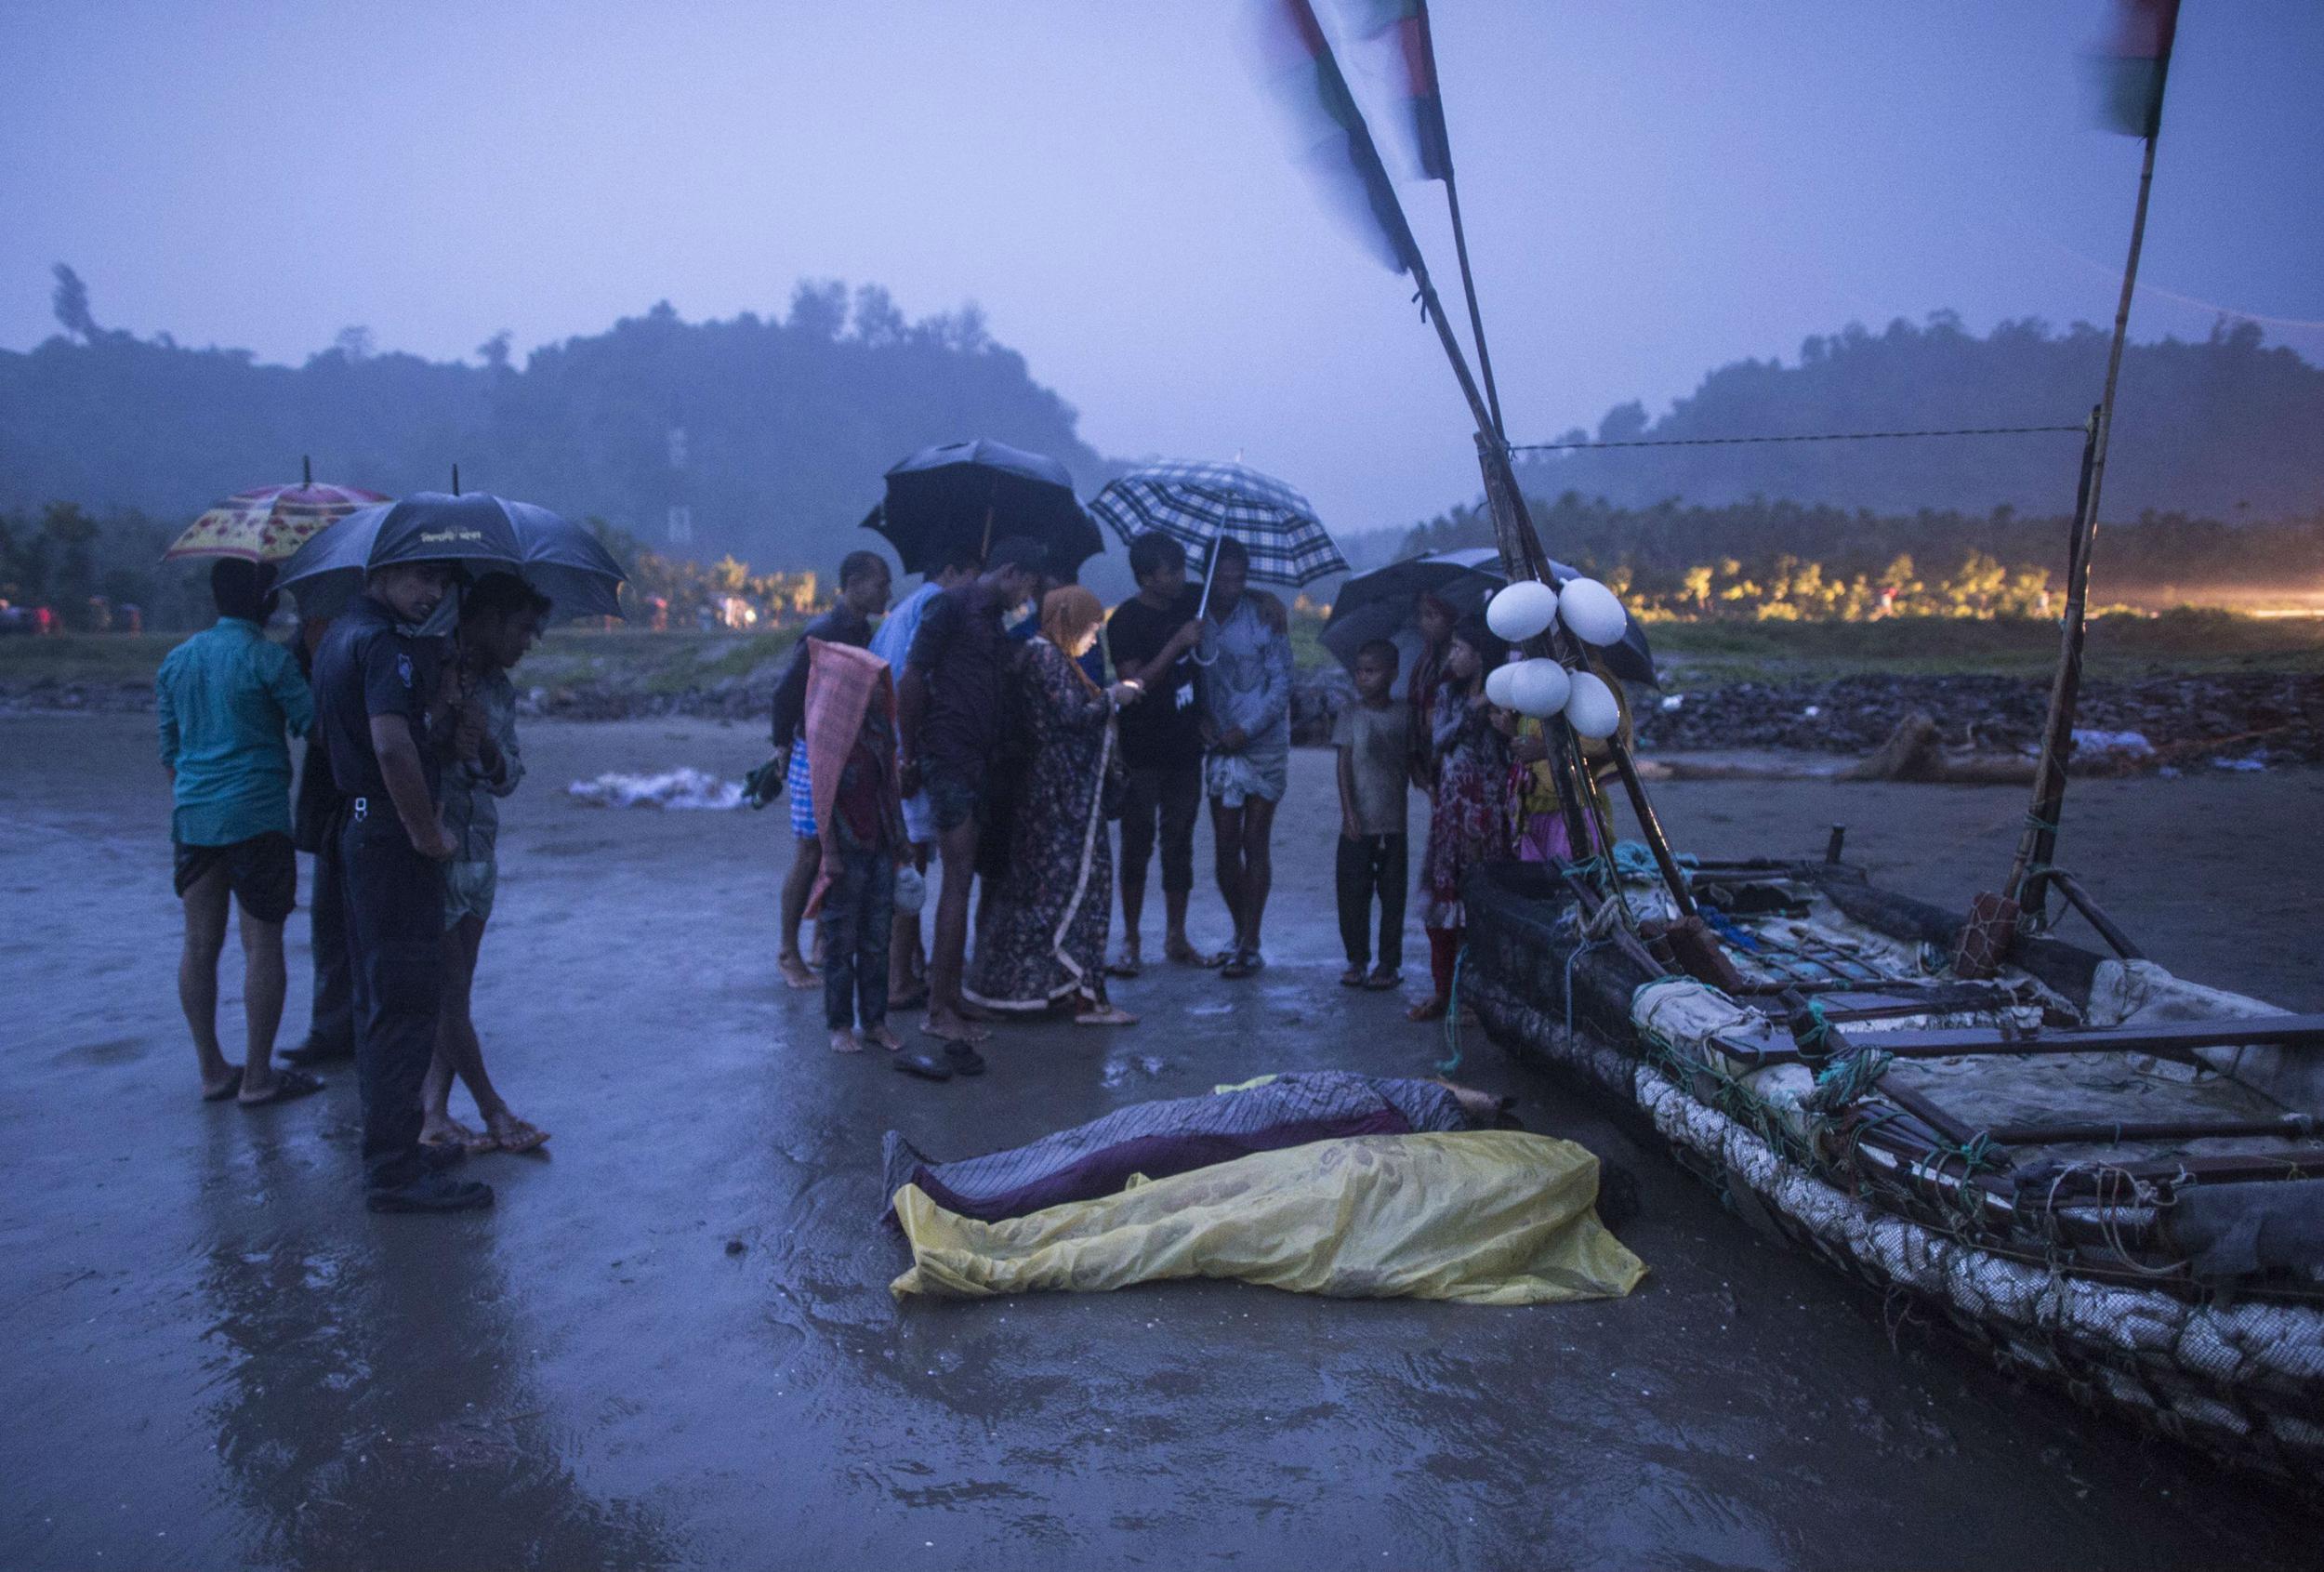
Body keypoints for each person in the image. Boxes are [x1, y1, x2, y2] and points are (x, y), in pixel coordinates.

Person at [312, 560, 493, 1214]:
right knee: (406, 1003)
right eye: (421, 580)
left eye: (442, 585)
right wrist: (427, 833)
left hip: (361, 830)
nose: (433, 595)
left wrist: (444, 716)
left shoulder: (339, 635)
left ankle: (395, 1150)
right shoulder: (383, 645)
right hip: (390, 839)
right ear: (382, 572)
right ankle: (394, 1169)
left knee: (380, 1000)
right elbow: (391, 747)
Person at [156, 560, 320, 1106]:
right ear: (268, 602)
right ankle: (257, 1076)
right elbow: (313, 725)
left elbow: (170, 752)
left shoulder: (177, 661)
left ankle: (212, 1070)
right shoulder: (269, 660)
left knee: (199, 945)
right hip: (257, 816)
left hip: (195, 818)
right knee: (262, 942)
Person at [898, 536, 1048, 1059]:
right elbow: (912, 679)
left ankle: (952, 994)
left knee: (967, 876)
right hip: (950, 757)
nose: (1026, 598)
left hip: (981, 760)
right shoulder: (951, 606)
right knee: (957, 877)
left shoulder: (994, 619)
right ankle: (939, 1011)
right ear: (1010, 571)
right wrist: (907, 755)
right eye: (1026, 587)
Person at [419, 573, 551, 1155]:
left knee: (458, 994)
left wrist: (488, 750)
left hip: (479, 852)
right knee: (446, 993)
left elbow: (510, 778)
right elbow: (402, 753)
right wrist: (446, 733)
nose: (529, 643)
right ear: (489, 620)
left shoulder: (497, 691)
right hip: (437, 849)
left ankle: (433, 1113)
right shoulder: (429, 671)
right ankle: (493, 1110)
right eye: (523, 629)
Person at [967, 586, 1141, 1024]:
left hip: (1051, 795)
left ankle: (1064, 985)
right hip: (1061, 800)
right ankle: (1083, 994)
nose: (1092, 637)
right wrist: (1112, 699)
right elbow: (1070, 718)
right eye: (1090, 627)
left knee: (1049, 894)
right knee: (1076, 888)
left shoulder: (1049, 656)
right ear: (1068, 619)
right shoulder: (1045, 658)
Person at [770, 551, 893, 989]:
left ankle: (823, 942)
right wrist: (783, 746)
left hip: (845, 751)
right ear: (855, 582)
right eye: (881, 584)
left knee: (835, 847)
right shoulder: (822, 633)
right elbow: (785, 694)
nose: (887, 593)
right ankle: (789, 951)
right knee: (810, 851)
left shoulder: (862, 631)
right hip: (813, 751)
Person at [866, 548, 979, 1011]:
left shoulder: (901, 612)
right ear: (951, 569)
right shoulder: (937, 604)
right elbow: (914, 682)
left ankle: (905, 970)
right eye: (972, 574)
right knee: (913, 869)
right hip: (910, 754)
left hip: (891, 748)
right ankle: (899, 980)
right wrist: (909, 755)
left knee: (908, 864)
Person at [1104, 532, 1210, 977]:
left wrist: (1268, 601)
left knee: (1179, 841)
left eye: (1183, 568)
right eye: (1171, 571)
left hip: (1186, 746)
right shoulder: (1125, 621)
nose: (1181, 577)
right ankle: (1130, 938)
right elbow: (1133, 685)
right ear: (1147, 577)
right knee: (1137, 843)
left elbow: (1227, 588)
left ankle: (1176, 935)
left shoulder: (1190, 602)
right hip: (1142, 748)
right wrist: (1176, 645)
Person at [801, 638, 908, 1054]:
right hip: (846, 849)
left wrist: (900, 846)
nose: (882, 692)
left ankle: (876, 1022)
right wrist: (830, 853)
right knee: (840, 943)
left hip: (880, 844)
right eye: (873, 685)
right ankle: (840, 1025)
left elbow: (889, 791)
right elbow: (823, 798)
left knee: (877, 940)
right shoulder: (830, 734)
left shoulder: (880, 732)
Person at [1410, 617, 1516, 1023]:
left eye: (1459, 648)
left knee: (1480, 902)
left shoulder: (1505, 695)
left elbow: (1508, 753)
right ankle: (1444, 991)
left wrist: (1504, 726)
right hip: (1452, 811)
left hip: (1489, 811)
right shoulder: (1449, 693)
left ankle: (1479, 995)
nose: (1452, 654)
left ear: (1480, 654)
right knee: (1443, 903)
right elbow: (1438, 741)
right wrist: (1474, 709)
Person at [1197, 537, 1292, 979]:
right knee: (1223, 849)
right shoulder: (1194, 617)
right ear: (1208, 576)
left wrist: (1246, 730)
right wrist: (1205, 723)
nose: (1232, 587)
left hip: (1263, 742)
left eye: (1241, 579)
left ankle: (1250, 942)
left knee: (1255, 841)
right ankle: (1240, 932)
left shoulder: (1265, 617)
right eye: (1224, 578)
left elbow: (1280, 688)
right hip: (1219, 743)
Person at [282, 614, 353, 1069]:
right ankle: (334, 1027)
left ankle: (354, 1027)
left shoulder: (386, 631)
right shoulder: (314, 629)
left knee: (365, 919)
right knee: (330, 917)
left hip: (364, 794)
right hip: (335, 795)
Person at [1333, 639, 1411, 991]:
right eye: (1359, 671)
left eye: (1371, 671)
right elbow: (1344, 764)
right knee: (1352, 894)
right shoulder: (1350, 712)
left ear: (1392, 674)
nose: (1362, 678)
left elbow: (1415, 761)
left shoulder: (1404, 714)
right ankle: (1357, 959)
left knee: (1393, 897)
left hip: (1393, 821)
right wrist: (1349, 812)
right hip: (1357, 821)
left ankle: (1388, 963)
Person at [1406, 590, 1458, 795]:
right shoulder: (1425, 662)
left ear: (1451, 618)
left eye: (1431, 615)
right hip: (1428, 752)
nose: (1424, 623)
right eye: (1421, 616)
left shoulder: (1462, 661)